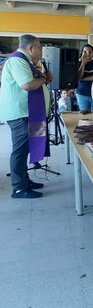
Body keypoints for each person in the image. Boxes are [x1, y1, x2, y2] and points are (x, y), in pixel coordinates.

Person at [0, 34, 53, 198]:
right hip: (20, 113)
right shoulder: (17, 60)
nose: (40, 50)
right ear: (30, 48)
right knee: (20, 150)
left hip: (31, 113)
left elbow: (35, 81)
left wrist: (44, 78)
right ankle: (19, 188)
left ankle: (25, 180)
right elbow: (28, 85)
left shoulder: (26, 61)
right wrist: (44, 80)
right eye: (39, 47)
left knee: (29, 146)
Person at [75, 44, 93, 112]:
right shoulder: (77, 64)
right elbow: (78, 77)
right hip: (82, 94)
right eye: (85, 52)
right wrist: (83, 63)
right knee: (84, 115)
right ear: (82, 53)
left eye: (90, 52)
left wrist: (82, 79)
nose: (88, 54)